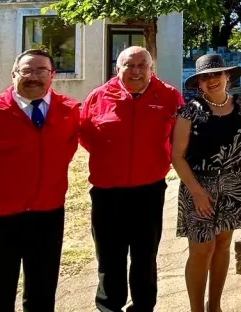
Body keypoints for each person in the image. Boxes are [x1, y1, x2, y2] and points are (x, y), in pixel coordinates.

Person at [0, 49, 81, 312]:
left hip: (48, 214)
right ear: (13, 75)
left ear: (52, 75)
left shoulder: (68, 110)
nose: (34, 77)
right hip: (0, 218)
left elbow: (66, 151)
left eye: (41, 70)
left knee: (42, 292)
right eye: (26, 71)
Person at [80, 46, 184, 312]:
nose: (136, 71)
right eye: (129, 65)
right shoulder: (98, 97)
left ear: (151, 68)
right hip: (107, 191)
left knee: (145, 256)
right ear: (118, 68)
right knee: (109, 256)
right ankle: (109, 307)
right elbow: (87, 137)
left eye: (142, 65)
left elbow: (180, 136)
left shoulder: (169, 96)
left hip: (149, 190)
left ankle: (143, 307)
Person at [173, 54, 241, 312]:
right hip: (198, 186)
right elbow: (177, 156)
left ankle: (214, 306)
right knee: (202, 250)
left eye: (216, 74)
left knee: (223, 246)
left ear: (227, 77)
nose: (212, 80)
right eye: (205, 77)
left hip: (233, 185)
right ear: (199, 83)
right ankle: (196, 309)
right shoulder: (190, 110)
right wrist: (197, 192)